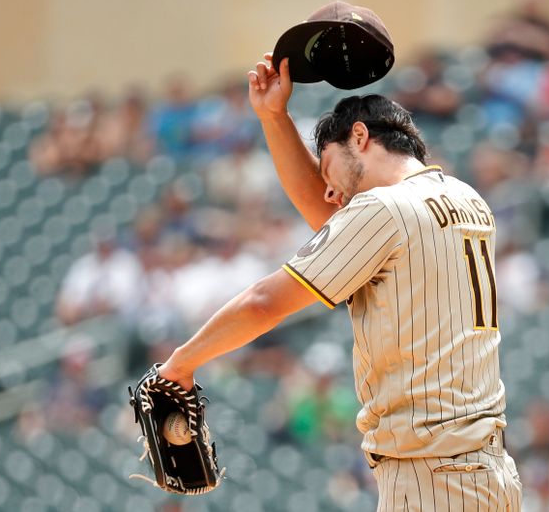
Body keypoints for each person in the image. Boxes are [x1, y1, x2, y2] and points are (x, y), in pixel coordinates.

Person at [155, 53, 521, 511]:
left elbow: (266, 302)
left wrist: (179, 365)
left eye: (327, 168)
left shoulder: (384, 210)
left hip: (434, 476)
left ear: (361, 136)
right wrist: (274, 117)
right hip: (483, 470)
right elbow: (333, 221)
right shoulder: (466, 198)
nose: (329, 191)